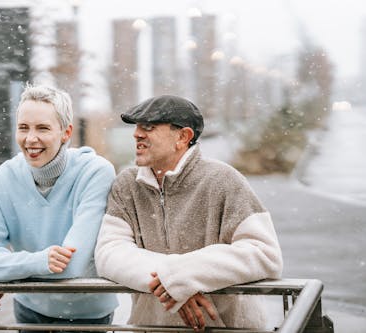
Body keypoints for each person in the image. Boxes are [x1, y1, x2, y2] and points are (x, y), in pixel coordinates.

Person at [95, 95, 283, 331]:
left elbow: (264, 254)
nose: (137, 134)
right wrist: (172, 282)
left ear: (183, 137)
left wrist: (183, 276)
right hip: (151, 328)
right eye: (137, 127)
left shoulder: (224, 180)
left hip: (225, 329)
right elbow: (109, 253)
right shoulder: (127, 184)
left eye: (149, 127)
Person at [0, 84, 118, 332]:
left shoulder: (95, 172)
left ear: (66, 133)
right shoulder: (4, 178)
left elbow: (71, 265)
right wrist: (37, 262)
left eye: (42, 128)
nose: (30, 139)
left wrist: (4, 271)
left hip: (88, 315)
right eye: (23, 128)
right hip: (29, 312)